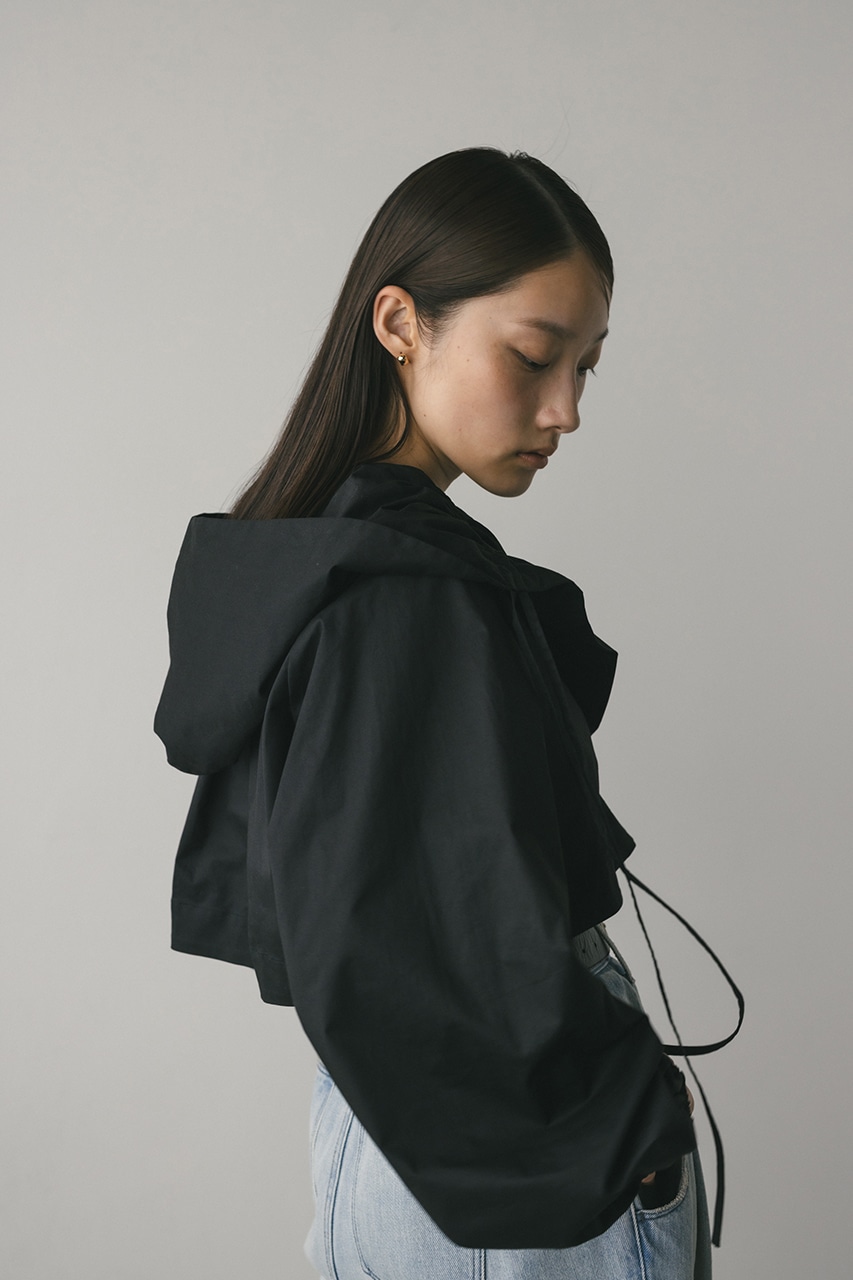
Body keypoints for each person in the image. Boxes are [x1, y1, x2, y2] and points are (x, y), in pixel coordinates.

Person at [155, 147, 714, 1279]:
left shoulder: (312, 563)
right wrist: (633, 1134)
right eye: (533, 356)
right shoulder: (405, 596)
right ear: (400, 323)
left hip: (385, 1138)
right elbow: (431, 938)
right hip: (528, 1155)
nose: (565, 409)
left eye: (586, 367)